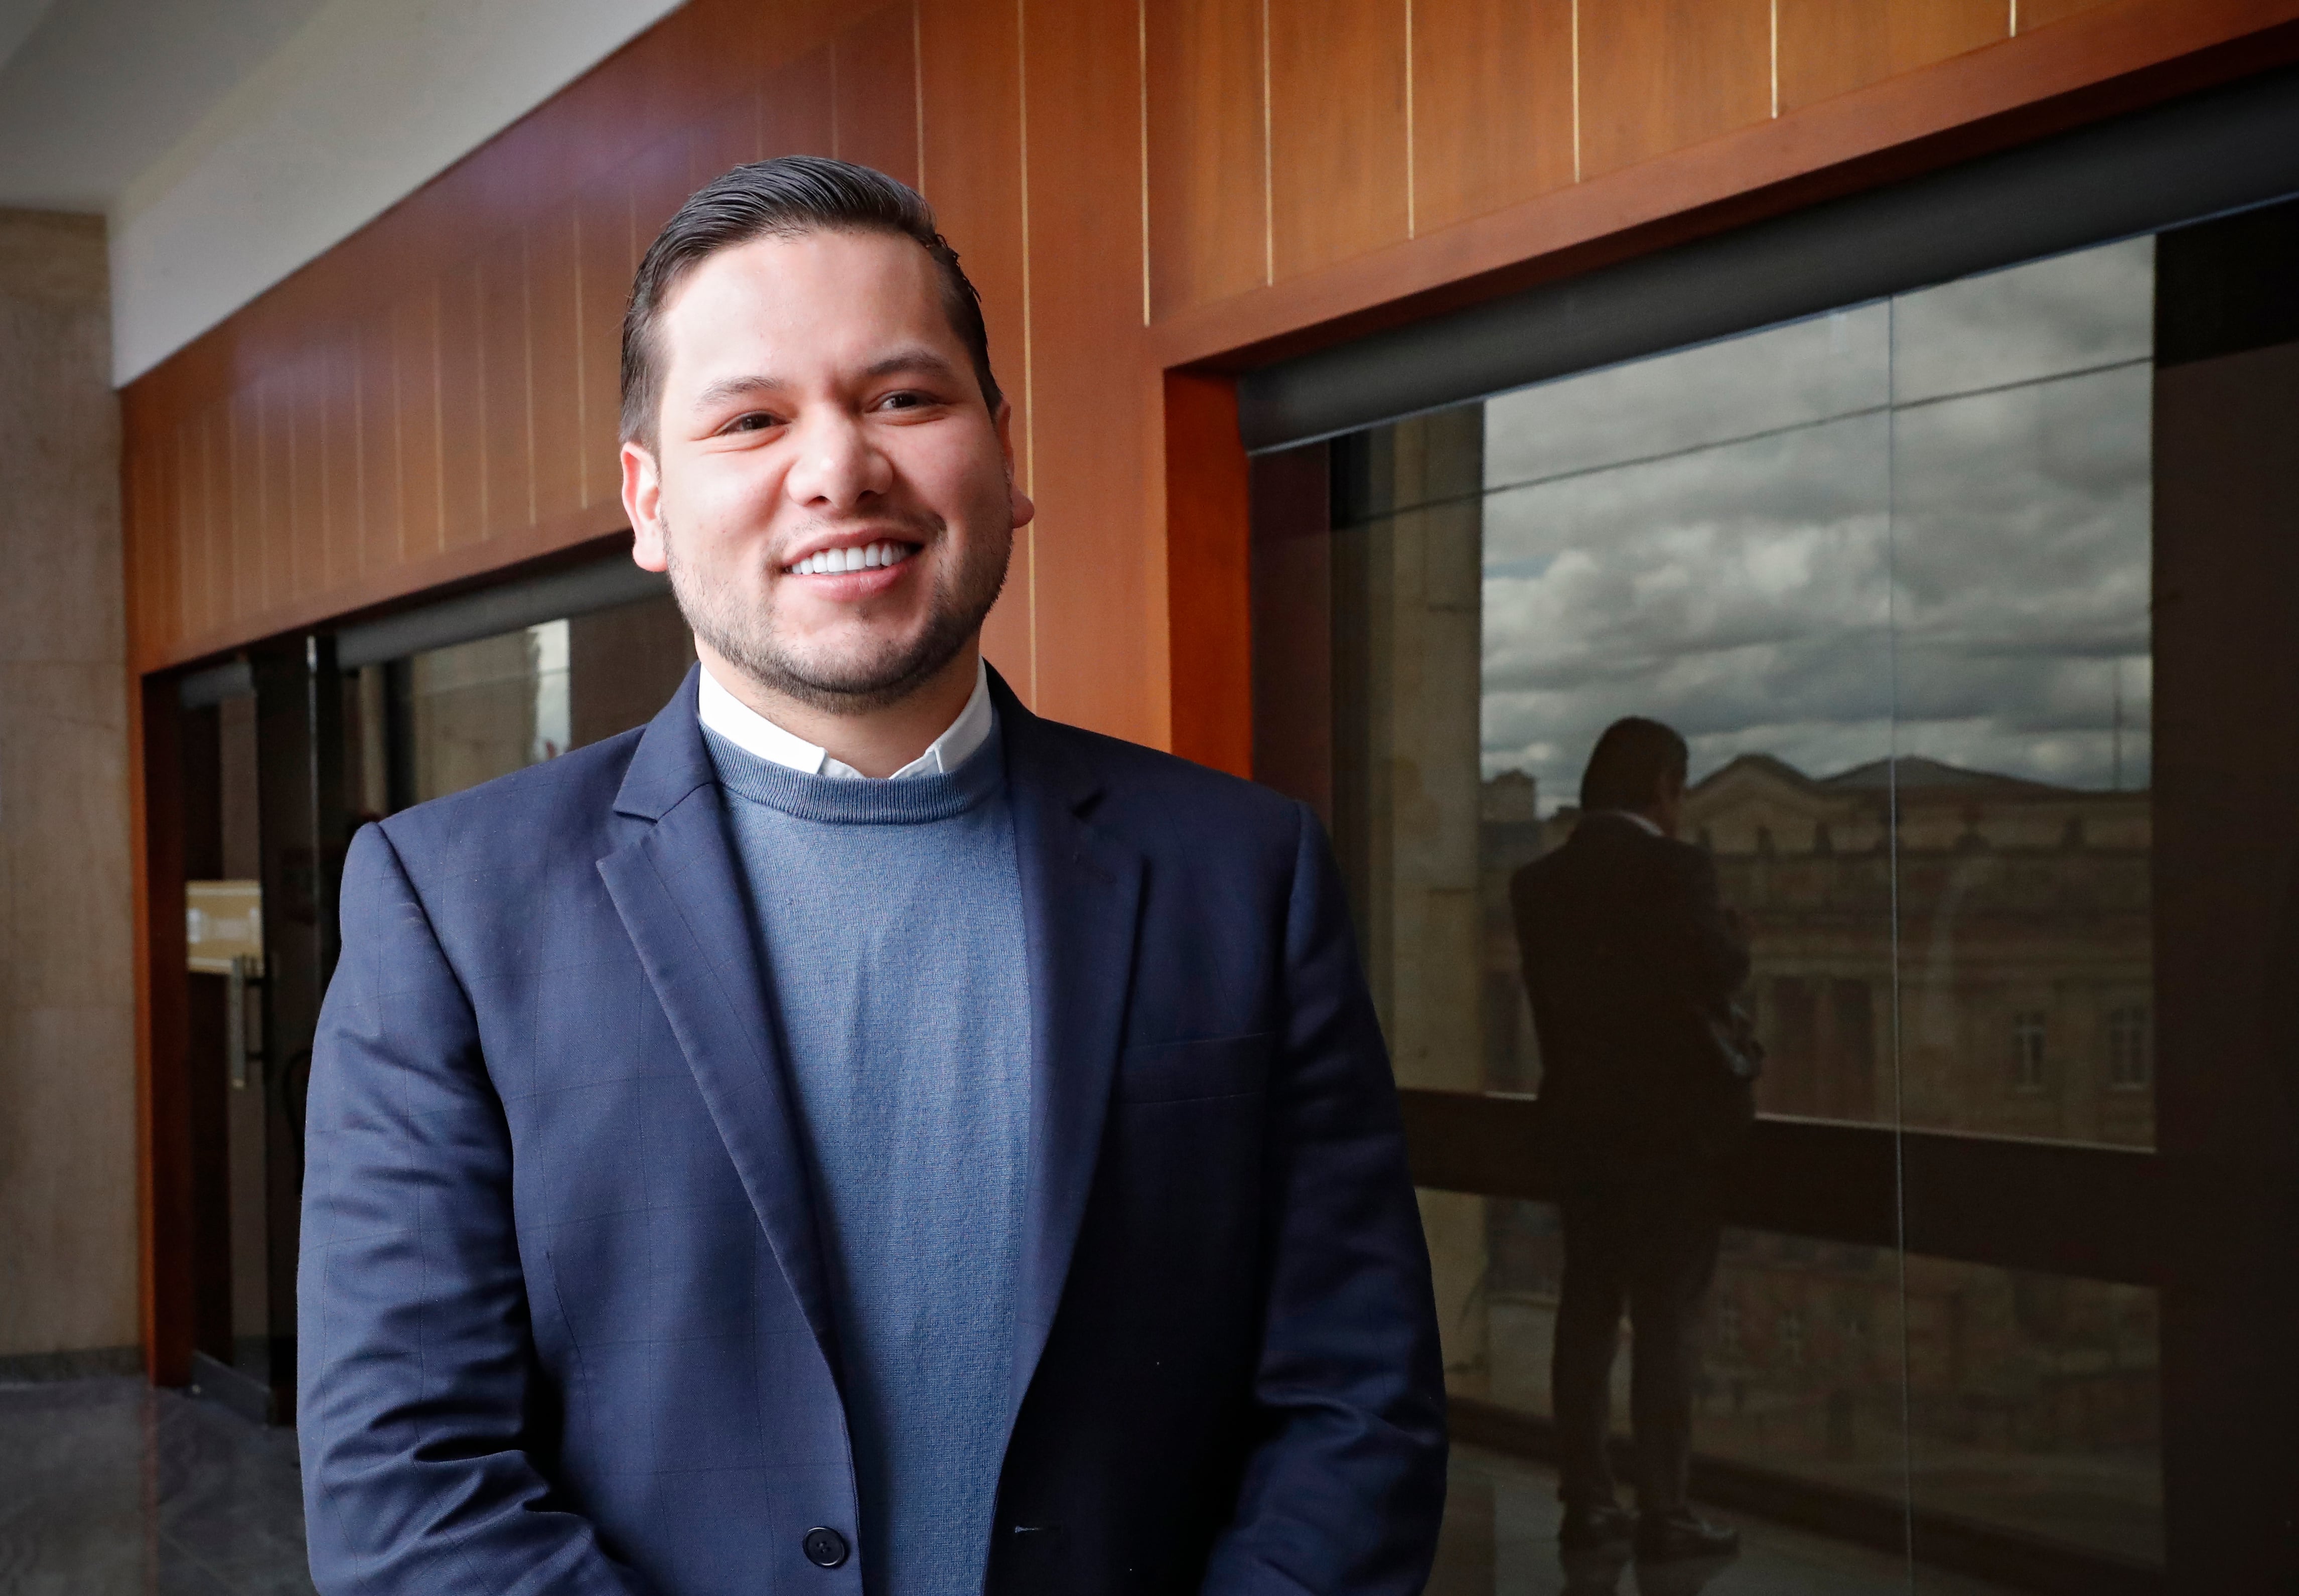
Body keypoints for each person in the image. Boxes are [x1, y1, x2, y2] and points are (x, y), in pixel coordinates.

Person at [296, 157, 1446, 1595]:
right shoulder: (450, 905)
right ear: (647, 503)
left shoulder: (1241, 870)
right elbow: (407, 1482)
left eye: (903, 397)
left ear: (1004, 457)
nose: (837, 466)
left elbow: (1354, 1405)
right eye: (751, 417)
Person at [1508, 718, 1753, 1563]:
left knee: (1585, 1315)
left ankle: (1587, 1502)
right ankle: (1667, 1509)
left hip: (1578, 1131)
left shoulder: (1535, 882)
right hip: (1671, 1139)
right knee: (1665, 1322)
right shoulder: (1677, 868)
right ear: (1663, 787)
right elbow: (1718, 969)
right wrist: (1731, 928)